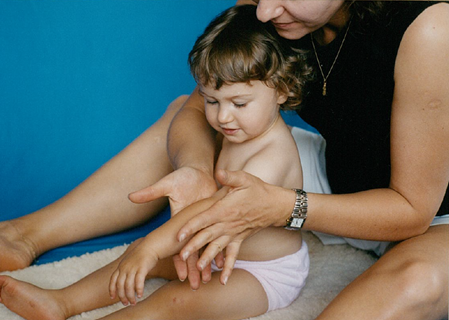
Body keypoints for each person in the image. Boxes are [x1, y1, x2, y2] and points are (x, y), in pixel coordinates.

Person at [0, 1, 448, 319]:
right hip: (336, 173)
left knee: (409, 284)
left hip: (427, 214)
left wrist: (282, 206)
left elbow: (411, 210)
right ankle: (24, 236)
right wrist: (194, 167)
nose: (266, 11)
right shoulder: (275, 7)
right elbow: (197, 107)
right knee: (198, 113)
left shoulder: (431, 29)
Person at [0, 5, 312, 319]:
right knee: (134, 261)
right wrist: (146, 251)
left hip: (261, 272)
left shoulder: (271, 157)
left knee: (176, 300)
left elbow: (215, 212)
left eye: (239, 103)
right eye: (211, 101)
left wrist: (153, 245)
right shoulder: (240, 129)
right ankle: (62, 301)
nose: (223, 117)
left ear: (282, 89)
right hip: (215, 249)